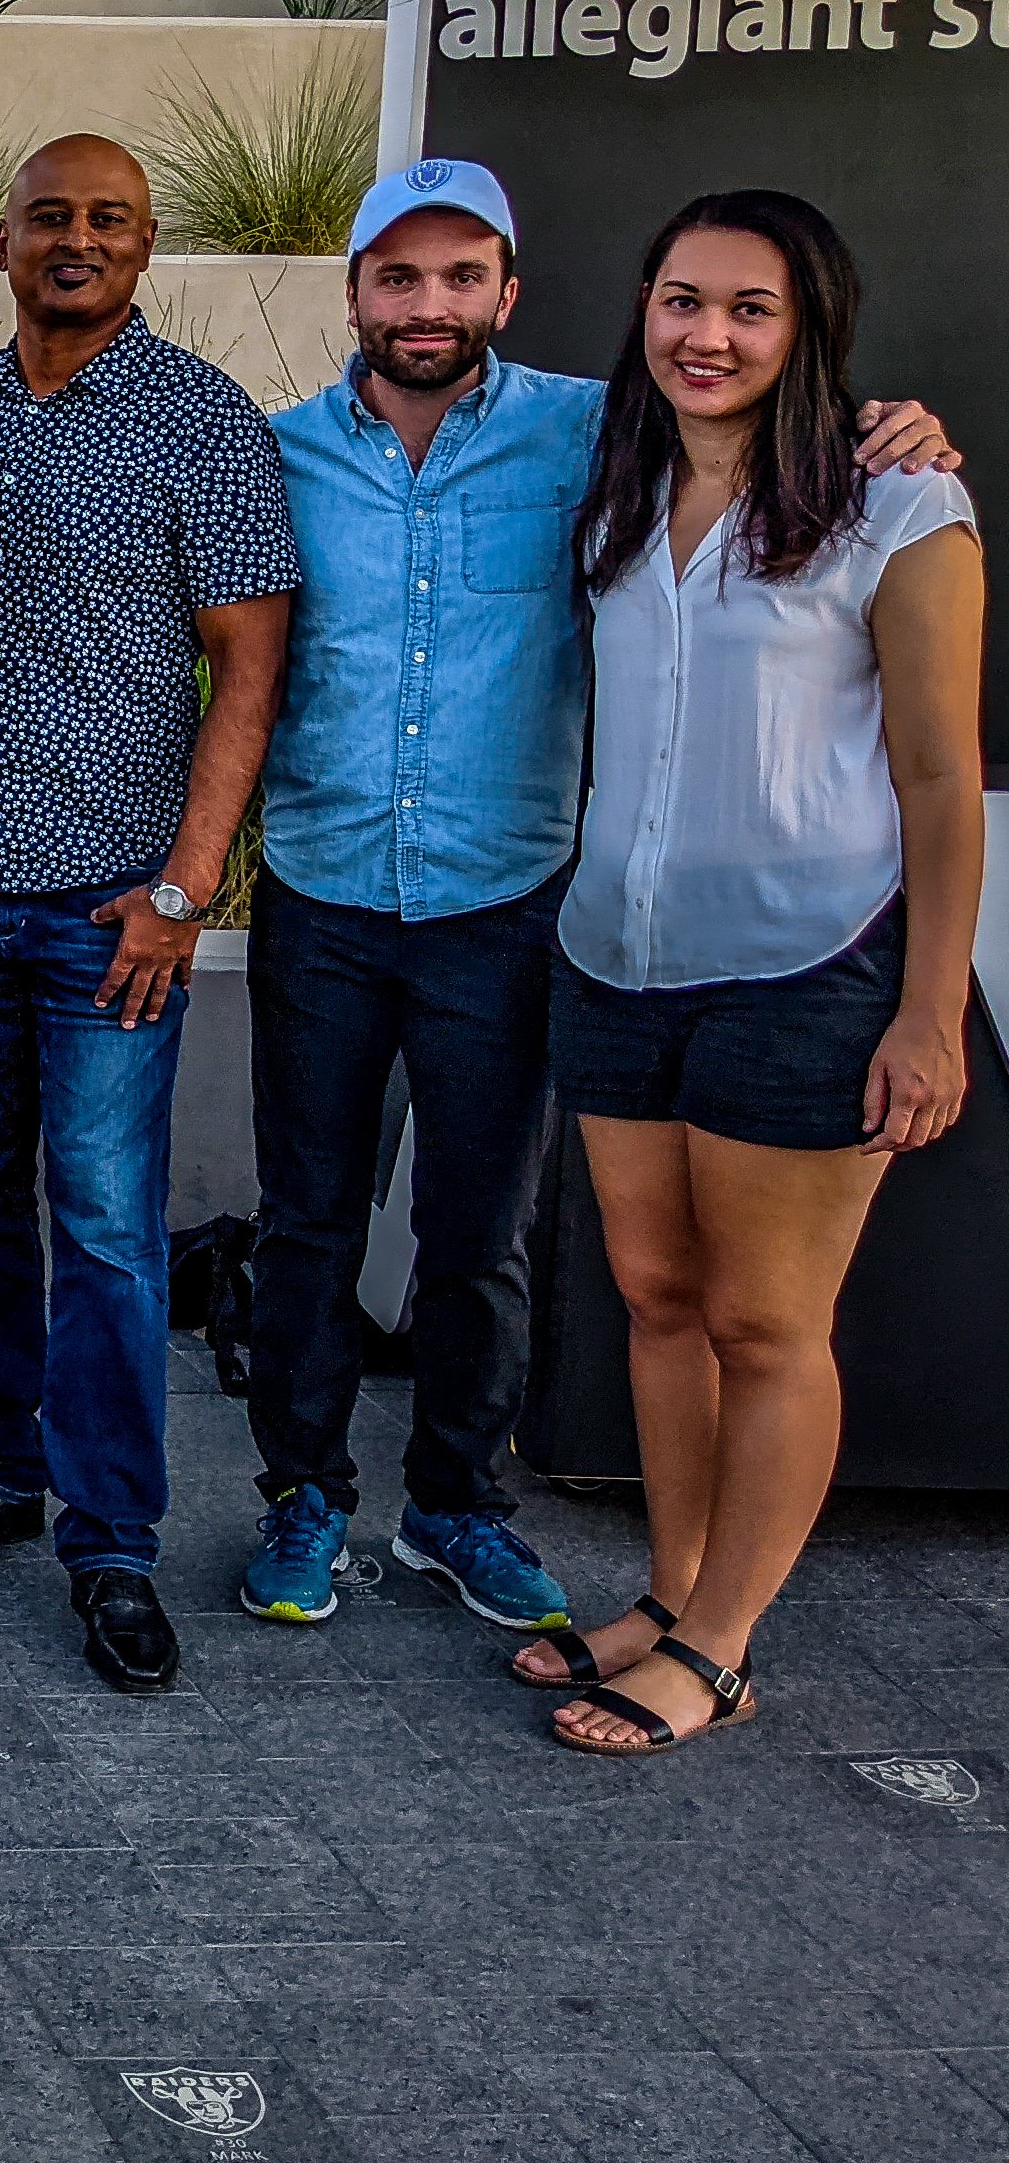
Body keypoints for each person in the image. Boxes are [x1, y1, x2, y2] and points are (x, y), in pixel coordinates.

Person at [239, 162, 959, 1637]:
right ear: (355, 291)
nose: (425, 306)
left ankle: (457, 1509)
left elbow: (782, 427)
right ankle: (304, 1501)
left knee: (481, 1233)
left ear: (508, 291)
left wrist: (902, 425)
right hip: (326, 892)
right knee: (307, 1223)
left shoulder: (598, 432)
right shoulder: (280, 453)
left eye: (459, 278)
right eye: (397, 276)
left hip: (511, 901)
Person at [528, 192, 978, 1755]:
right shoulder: (613, 489)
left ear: (808, 330)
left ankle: (717, 1645)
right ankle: (665, 1591)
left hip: (811, 970)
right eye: (678, 301)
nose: (704, 335)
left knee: (768, 1328)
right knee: (657, 1303)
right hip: (617, 958)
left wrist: (929, 1012)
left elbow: (937, 775)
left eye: (747, 309)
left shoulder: (897, 509)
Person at [0, 135, 299, 1696]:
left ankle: (110, 1536)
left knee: (107, 1232)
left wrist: (186, 889)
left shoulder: (205, 426)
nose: (76, 239)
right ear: (0, 243)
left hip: (106, 910)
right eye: (49, 215)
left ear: (145, 246)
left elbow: (249, 672)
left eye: (106, 220)